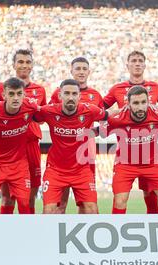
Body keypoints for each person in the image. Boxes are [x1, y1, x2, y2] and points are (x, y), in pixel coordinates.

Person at [101, 50, 158, 214]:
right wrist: (114, 114)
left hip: (150, 155)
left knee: (152, 195)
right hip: (126, 156)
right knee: (120, 200)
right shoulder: (117, 89)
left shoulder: (155, 87)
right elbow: (100, 112)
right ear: (127, 65)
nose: (137, 63)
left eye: (141, 60)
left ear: (145, 64)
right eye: (134, 60)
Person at [34, 79, 111, 214]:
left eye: (74, 94)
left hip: (81, 171)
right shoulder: (48, 111)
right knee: (49, 210)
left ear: (79, 97)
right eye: (67, 93)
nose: (71, 97)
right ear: (60, 96)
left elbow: (109, 118)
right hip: (55, 171)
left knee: (92, 210)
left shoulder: (89, 110)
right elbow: (28, 115)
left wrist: (93, 132)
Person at [0, 49, 47, 214]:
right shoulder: (1, 87)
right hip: (8, 147)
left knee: (30, 195)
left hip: (31, 145)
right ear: (13, 64)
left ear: (32, 65)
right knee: (7, 197)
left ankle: (28, 232)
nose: (24, 65)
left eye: (28, 62)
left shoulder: (40, 90)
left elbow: (41, 118)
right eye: (20, 62)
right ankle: (6, 235)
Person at [49, 57, 103, 214]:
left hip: (86, 155)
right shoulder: (58, 94)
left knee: (86, 204)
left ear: (89, 72)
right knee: (60, 202)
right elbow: (49, 115)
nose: (81, 72)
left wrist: (91, 133)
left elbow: (105, 121)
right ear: (71, 71)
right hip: (62, 155)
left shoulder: (96, 95)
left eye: (84, 69)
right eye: (77, 68)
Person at [0, 77, 39, 214]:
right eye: (11, 94)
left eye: (19, 93)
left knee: (25, 204)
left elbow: (49, 115)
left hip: (19, 164)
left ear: (24, 94)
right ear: (4, 95)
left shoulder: (31, 107)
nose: (16, 98)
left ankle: (25, 235)